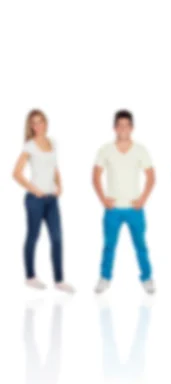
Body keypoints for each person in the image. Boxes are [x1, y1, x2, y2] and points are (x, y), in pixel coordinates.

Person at [92, 110, 156, 295]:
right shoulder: (105, 150)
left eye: (126, 125)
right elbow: (96, 176)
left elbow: (151, 177)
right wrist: (103, 199)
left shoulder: (140, 150)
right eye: (120, 125)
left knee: (140, 245)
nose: (123, 128)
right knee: (109, 245)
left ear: (132, 128)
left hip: (135, 208)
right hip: (113, 209)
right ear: (115, 128)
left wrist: (142, 199)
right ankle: (105, 278)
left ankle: (147, 278)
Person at [12, 109, 74, 293]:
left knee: (57, 238)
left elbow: (54, 166)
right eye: (34, 123)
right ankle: (30, 277)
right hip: (35, 200)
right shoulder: (29, 146)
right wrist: (34, 189)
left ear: (46, 123)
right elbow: (16, 173)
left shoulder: (53, 142)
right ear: (31, 126)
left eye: (41, 121)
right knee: (33, 236)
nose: (38, 125)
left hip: (52, 199)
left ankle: (59, 280)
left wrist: (60, 185)